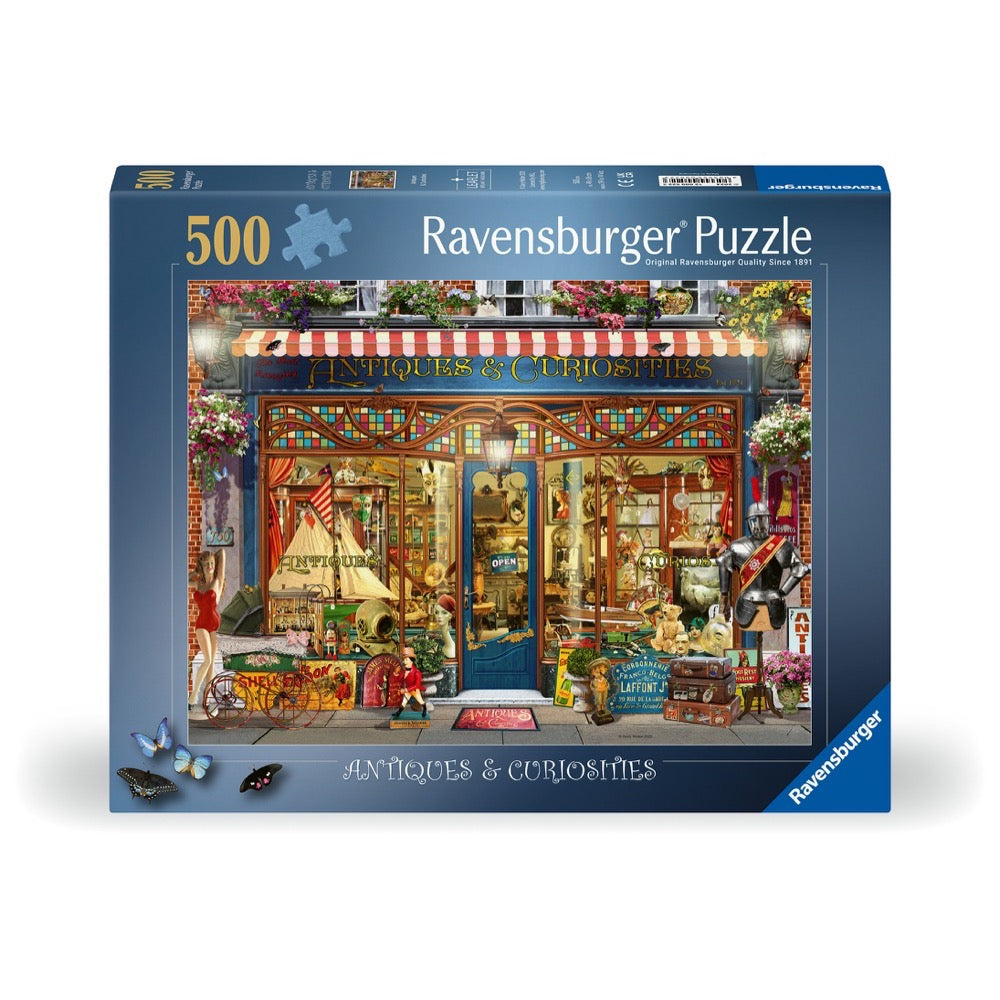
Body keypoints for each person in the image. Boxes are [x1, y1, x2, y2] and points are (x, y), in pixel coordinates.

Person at [716, 479, 809, 632]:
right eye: (755, 520)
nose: (759, 525)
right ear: (749, 522)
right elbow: (723, 563)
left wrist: (783, 591)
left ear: (768, 520)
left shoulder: (780, 545)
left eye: (762, 519)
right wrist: (724, 596)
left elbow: (800, 568)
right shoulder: (737, 546)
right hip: (750, 601)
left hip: (773, 602)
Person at [189, 549, 226, 717]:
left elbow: (222, 552)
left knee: (211, 665)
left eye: (212, 564)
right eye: (206, 564)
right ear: (202, 567)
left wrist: (213, 556)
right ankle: (193, 697)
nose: (210, 566)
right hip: (202, 625)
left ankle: (206, 699)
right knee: (208, 659)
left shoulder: (218, 581)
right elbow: (184, 580)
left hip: (214, 624)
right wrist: (196, 571)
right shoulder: (199, 584)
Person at [392, 647, 427, 718]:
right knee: (404, 702)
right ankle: (398, 713)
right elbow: (399, 680)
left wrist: (405, 690)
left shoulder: (417, 672)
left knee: (420, 701)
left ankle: (425, 710)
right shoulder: (403, 671)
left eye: (406, 659)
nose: (404, 661)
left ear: (411, 661)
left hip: (414, 690)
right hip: (407, 689)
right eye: (404, 659)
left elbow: (417, 685)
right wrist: (396, 673)